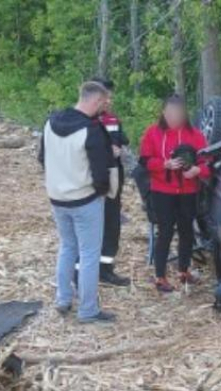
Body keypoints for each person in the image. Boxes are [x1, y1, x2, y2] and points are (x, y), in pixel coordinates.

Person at [38, 80, 116, 323]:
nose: (105, 107)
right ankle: (88, 310)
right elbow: (100, 171)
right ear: (95, 101)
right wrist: (102, 192)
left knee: (67, 247)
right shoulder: (90, 130)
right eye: (104, 103)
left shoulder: (50, 122)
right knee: (89, 254)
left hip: (57, 198)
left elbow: (42, 158)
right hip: (84, 199)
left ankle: (63, 299)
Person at [139, 94, 210, 293]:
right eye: (170, 114)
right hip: (162, 191)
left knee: (187, 231)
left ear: (184, 114)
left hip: (188, 191)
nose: (173, 118)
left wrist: (197, 171)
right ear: (164, 112)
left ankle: (184, 271)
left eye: (177, 114)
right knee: (165, 232)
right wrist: (164, 164)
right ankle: (160, 276)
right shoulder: (152, 133)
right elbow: (144, 162)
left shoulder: (195, 135)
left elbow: (207, 162)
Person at [90, 77, 130, 287]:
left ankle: (106, 270)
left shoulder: (113, 121)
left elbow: (122, 141)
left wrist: (118, 149)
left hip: (113, 181)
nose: (110, 101)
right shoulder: (83, 122)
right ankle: (83, 274)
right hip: (90, 184)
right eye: (107, 97)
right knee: (89, 229)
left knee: (111, 225)